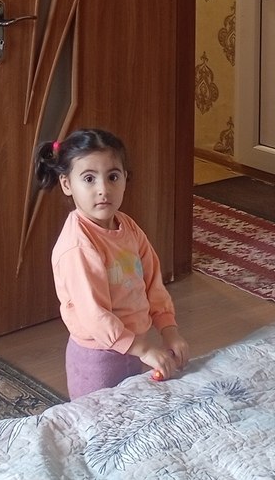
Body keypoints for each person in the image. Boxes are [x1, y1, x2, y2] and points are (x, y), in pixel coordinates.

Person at [35, 128, 189, 398]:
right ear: (67, 184)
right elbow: (94, 315)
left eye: (113, 177)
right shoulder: (77, 246)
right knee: (100, 417)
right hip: (98, 359)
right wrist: (142, 349)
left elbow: (153, 284)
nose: (103, 189)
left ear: (125, 179)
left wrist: (169, 330)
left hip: (134, 347)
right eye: (89, 179)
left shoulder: (128, 228)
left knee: (131, 410)